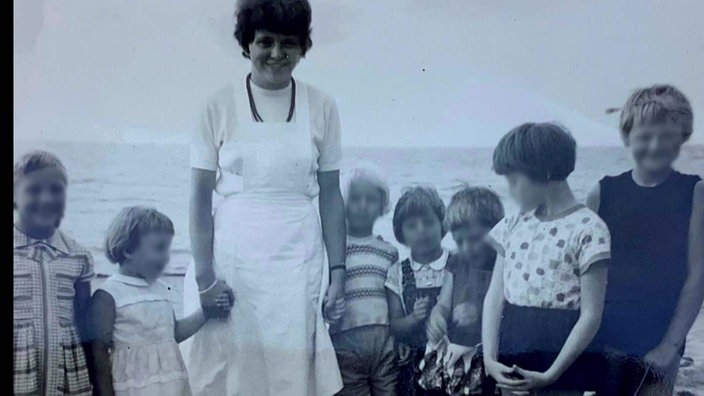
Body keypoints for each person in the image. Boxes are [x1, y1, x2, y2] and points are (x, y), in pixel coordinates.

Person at [182, 0, 346, 394]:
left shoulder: (322, 105)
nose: (277, 54)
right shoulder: (216, 104)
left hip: (298, 257)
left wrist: (338, 274)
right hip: (233, 257)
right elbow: (199, 199)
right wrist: (206, 278)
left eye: (289, 43)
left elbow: (330, 196)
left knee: (292, 370)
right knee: (231, 371)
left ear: (303, 46)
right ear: (246, 44)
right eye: (265, 41)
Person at [587, 85, 704, 395]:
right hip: (605, 340)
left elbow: (698, 275)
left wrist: (670, 345)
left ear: (682, 137)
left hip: (661, 337)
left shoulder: (694, 192)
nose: (655, 146)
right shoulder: (602, 193)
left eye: (667, 136)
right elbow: (584, 276)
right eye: (644, 136)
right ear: (628, 138)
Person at [482, 123, 610, 395]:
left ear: (546, 172)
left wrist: (551, 375)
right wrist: (490, 359)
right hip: (513, 351)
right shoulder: (512, 224)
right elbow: (495, 295)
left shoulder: (589, 229)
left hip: (561, 359)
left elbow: (591, 315)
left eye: (515, 180)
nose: (511, 190)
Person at [90, 207, 223, 395]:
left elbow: (172, 334)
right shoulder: (109, 294)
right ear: (128, 250)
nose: (166, 256)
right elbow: (99, 353)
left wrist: (206, 311)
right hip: (134, 386)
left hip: (170, 384)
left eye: (167, 248)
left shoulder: (160, 289)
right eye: (159, 248)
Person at [13, 151, 94, 395]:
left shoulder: (78, 255)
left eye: (56, 190)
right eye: (34, 190)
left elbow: (84, 323)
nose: (47, 198)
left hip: (66, 371)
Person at [422, 187, 504, 395]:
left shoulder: (503, 265)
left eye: (474, 238)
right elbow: (443, 304)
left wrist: (478, 312)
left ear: (498, 229)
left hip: (486, 357)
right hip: (455, 355)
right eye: (459, 241)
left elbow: (508, 314)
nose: (466, 247)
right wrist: (437, 316)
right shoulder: (456, 263)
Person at [330, 162, 400, 395]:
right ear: (343, 203)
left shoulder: (389, 251)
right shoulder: (335, 249)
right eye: (355, 198)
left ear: (382, 206)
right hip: (346, 340)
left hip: (384, 342)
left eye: (371, 199)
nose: (362, 205)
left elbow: (394, 301)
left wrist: (399, 338)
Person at [386, 186, 450, 396]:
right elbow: (395, 325)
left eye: (429, 222)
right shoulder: (398, 272)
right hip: (415, 367)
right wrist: (413, 318)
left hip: (453, 362)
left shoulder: (457, 264)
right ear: (400, 234)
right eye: (412, 226)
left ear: (443, 224)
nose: (421, 230)